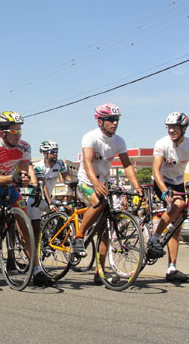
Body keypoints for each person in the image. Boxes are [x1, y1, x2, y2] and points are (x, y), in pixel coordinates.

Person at [73, 103, 143, 285]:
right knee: (99, 203)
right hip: (86, 182)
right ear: (100, 121)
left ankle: (99, 271)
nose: (115, 123)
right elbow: (87, 162)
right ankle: (78, 237)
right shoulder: (90, 137)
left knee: (105, 230)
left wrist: (137, 186)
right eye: (111, 119)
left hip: (103, 184)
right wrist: (95, 183)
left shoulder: (119, 141)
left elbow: (127, 165)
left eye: (117, 120)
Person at [0, 111, 49, 286]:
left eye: (20, 131)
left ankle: (37, 270)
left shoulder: (24, 147)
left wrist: (27, 181)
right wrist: (13, 178)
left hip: (10, 188)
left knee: (25, 226)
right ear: (3, 132)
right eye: (14, 131)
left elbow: (22, 173)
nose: (18, 135)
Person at [148, 111, 189, 282]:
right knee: (177, 205)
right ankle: (155, 238)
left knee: (177, 227)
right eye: (169, 127)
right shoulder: (162, 143)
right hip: (161, 181)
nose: (171, 130)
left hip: (178, 181)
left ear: (183, 128)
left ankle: (171, 269)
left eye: (175, 127)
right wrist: (165, 191)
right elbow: (155, 170)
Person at [27, 140, 71, 285]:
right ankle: (40, 244)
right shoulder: (38, 166)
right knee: (36, 229)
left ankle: (56, 235)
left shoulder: (60, 164)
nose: (55, 153)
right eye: (52, 151)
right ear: (45, 154)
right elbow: (43, 185)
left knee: (67, 210)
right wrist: (50, 204)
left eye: (56, 151)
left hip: (49, 199)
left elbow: (67, 180)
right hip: (36, 200)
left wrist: (70, 196)